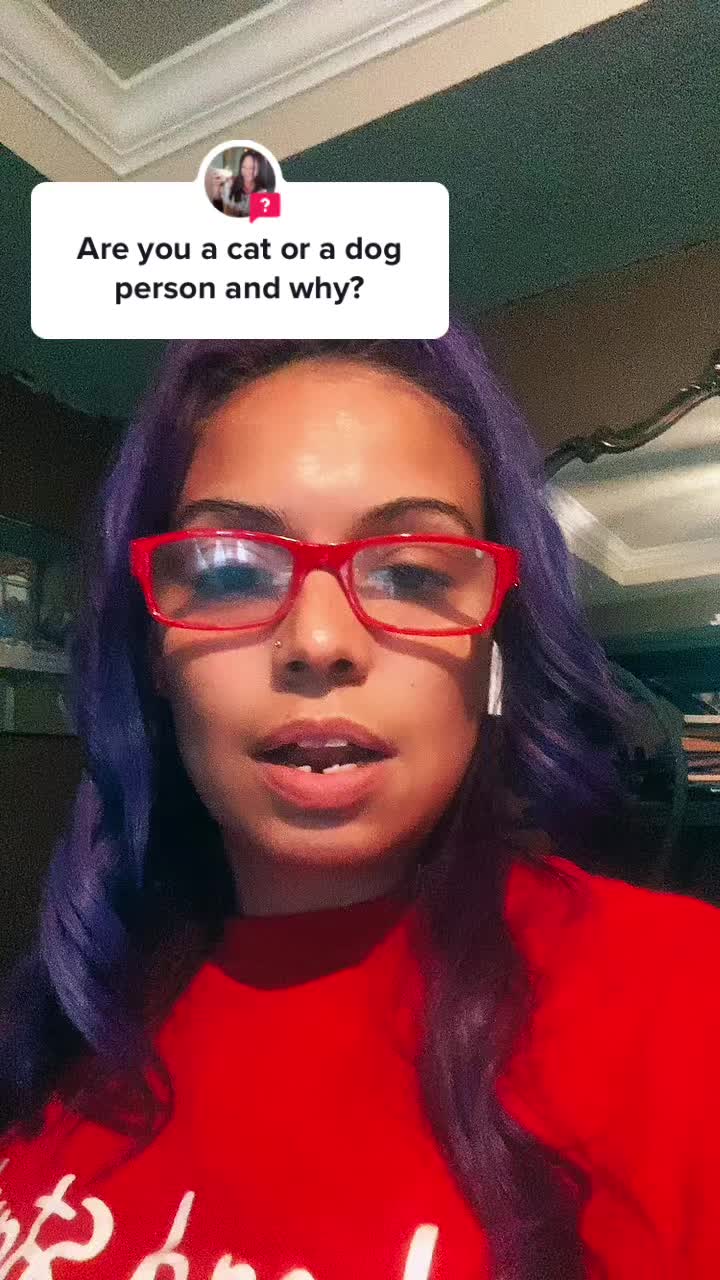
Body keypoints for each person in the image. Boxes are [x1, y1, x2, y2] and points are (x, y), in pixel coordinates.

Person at [0, 327, 718, 1280]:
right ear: (154, 654)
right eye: (228, 570)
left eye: (412, 573)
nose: (319, 642)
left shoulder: (686, 1003)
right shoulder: (78, 996)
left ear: (492, 642)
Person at [222, 150, 267, 218]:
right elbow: (225, 211)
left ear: (259, 170)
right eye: (243, 167)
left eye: (252, 168)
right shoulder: (229, 185)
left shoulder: (264, 193)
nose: (247, 172)